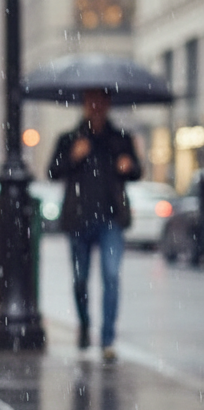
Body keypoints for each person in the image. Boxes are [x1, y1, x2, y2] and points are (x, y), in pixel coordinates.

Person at [47, 89, 142, 360]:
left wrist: (128, 166)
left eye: (101, 101)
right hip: (79, 219)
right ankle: (85, 324)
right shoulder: (69, 139)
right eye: (91, 101)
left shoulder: (120, 139)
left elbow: (136, 171)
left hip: (111, 220)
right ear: (85, 105)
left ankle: (108, 338)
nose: (96, 107)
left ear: (108, 105)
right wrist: (73, 157)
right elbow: (52, 171)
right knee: (80, 280)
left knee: (111, 277)